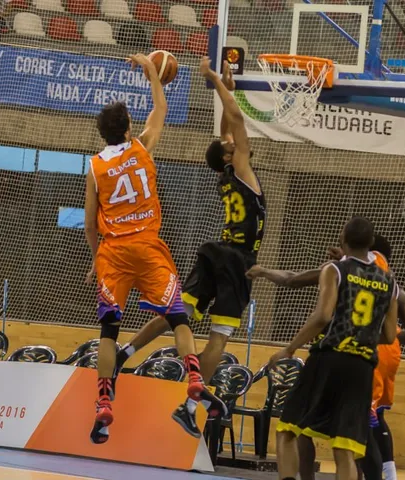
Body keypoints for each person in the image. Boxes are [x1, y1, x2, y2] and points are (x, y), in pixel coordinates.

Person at [112, 56, 266, 436]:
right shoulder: (242, 169)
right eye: (231, 145)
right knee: (219, 337)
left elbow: (226, 129)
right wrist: (213, 78)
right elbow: (236, 122)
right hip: (238, 260)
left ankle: (124, 352)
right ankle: (190, 405)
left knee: (177, 314)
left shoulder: (227, 172)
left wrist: (227, 88)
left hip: (216, 251)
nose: (235, 142)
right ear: (229, 155)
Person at [84, 53, 226, 444]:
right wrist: (152, 73)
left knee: (109, 330)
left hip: (113, 253)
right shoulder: (142, 148)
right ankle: (194, 377)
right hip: (148, 247)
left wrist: (97, 260)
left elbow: (89, 222)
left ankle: (104, 402)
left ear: (103, 135)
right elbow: (160, 109)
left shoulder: (95, 167)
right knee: (178, 318)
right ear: (129, 127)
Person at [247, 233, 405, 480]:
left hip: (337, 356)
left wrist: (264, 271)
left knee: (296, 428)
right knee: (354, 440)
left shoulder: (338, 270)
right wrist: (376, 333)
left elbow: (294, 282)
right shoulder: (390, 283)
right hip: (371, 362)